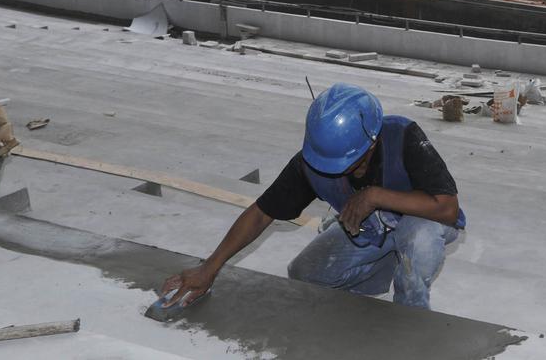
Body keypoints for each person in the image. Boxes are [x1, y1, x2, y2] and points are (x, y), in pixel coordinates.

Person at [159, 84, 463, 311]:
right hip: (371, 231)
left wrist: (374, 195)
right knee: (305, 274)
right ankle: (385, 269)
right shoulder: (313, 160)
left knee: (417, 237)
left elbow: (447, 208)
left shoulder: (402, 136)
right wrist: (208, 268)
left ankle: (409, 317)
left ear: (371, 144)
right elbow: (262, 212)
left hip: (423, 219)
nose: (334, 172)